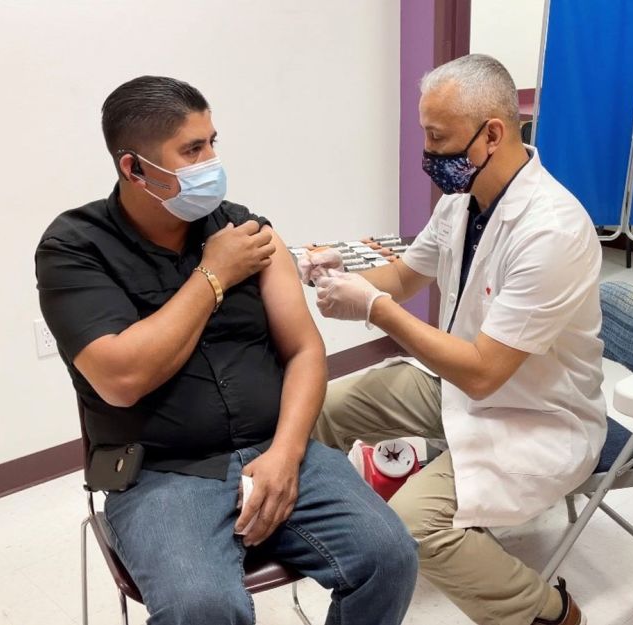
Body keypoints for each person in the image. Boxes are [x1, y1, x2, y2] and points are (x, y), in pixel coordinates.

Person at [35, 76, 417, 625]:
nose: (211, 160)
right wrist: (214, 274)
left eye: (213, 141)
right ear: (134, 168)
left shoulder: (248, 230)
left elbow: (306, 350)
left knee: (390, 557)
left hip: (278, 448)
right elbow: (121, 378)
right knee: (203, 609)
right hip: (161, 473)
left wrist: (286, 455)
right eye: (192, 150)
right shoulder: (74, 248)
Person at [302, 54, 605, 625]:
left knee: (418, 526)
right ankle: (338, 538)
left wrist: (376, 310)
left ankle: (550, 612)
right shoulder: (463, 201)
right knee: (319, 407)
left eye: (437, 138)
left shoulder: (551, 232)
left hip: (535, 415)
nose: (427, 153)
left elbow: (484, 372)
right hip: (460, 387)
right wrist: (322, 270)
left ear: (492, 134)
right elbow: (403, 277)